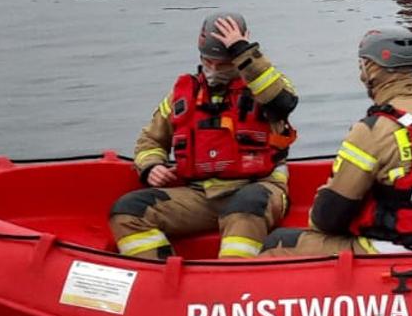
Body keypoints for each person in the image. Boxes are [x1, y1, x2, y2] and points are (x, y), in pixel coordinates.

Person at [262, 28, 412, 256]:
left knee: (278, 243)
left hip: (388, 250)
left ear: (370, 67)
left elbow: (328, 217)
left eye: (361, 66)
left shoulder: (373, 129)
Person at [108, 13, 298, 259]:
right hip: (200, 196)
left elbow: (283, 101)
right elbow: (150, 141)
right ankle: (161, 273)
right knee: (127, 211)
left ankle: (233, 276)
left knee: (245, 208)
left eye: (223, 64)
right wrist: (151, 166)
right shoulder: (182, 95)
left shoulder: (264, 85)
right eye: (209, 62)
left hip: (259, 189)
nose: (214, 70)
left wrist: (243, 50)